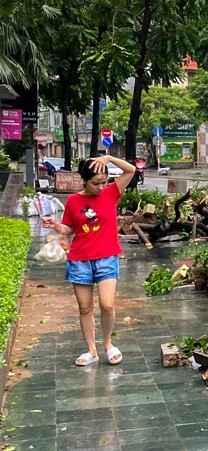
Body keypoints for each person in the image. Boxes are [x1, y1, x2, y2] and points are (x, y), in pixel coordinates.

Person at [41, 156, 136, 367]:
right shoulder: (74, 200)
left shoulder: (112, 193)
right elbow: (70, 228)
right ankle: (91, 350)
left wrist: (108, 158)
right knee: (85, 308)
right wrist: (56, 226)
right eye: (95, 183)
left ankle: (108, 344)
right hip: (80, 259)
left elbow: (131, 170)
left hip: (107, 257)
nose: (101, 187)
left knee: (107, 304)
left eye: (104, 181)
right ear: (84, 180)